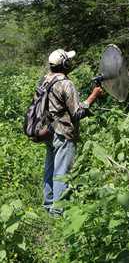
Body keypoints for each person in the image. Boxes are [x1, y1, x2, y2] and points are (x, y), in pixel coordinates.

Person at [42, 49, 103, 216]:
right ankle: (58, 211)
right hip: (63, 133)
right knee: (62, 172)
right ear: (65, 64)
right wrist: (93, 96)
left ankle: (48, 205)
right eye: (68, 60)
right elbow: (77, 114)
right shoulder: (66, 84)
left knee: (50, 169)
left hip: (48, 131)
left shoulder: (45, 80)